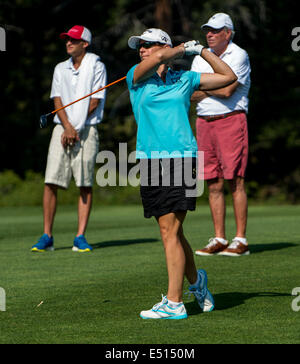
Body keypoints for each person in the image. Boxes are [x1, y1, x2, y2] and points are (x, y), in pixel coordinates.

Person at [126, 28, 237, 319]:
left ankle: (174, 304)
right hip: (151, 162)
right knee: (174, 232)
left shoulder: (184, 79)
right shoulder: (135, 77)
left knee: (169, 231)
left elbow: (228, 78)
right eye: (140, 46)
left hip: (183, 160)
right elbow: (162, 56)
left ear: (162, 46)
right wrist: (178, 49)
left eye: (148, 45)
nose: (142, 50)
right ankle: (197, 282)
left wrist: (200, 51)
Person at [32, 25, 107, 253]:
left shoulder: (96, 65)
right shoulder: (59, 68)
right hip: (61, 130)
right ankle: (47, 235)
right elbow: (57, 100)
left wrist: (76, 128)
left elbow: (95, 101)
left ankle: (80, 236)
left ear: (85, 43)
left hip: (87, 130)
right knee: (51, 181)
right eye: (67, 39)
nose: (68, 43)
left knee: (84, 183)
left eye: (73, 40)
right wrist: (67, 127)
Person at [191, 13, 251, 257]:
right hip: (204, 123)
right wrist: (212, 86)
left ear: (228, 33)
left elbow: (228, 90)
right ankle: (219, 238)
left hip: (231, 120)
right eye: (208, 30)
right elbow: (190, 92)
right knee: (213, 183)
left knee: (234, 180)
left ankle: (240, 239)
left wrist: (206, 86)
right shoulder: (200, 57)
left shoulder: (238, 54)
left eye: (215, 30)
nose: (210, 34)